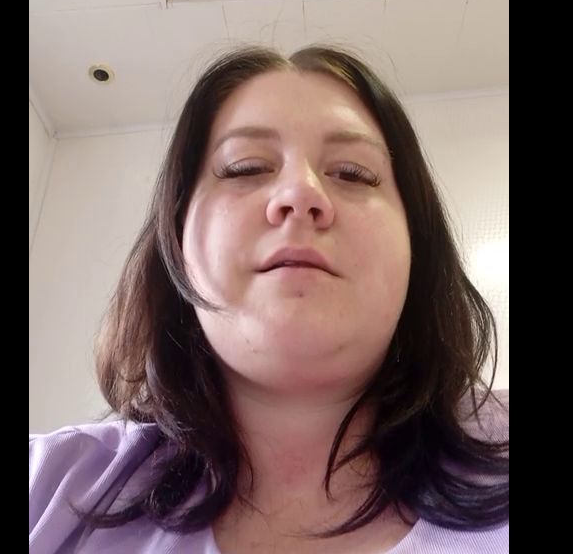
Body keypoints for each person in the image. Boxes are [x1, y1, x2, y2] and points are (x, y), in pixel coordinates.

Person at [29, 45, 509, 553]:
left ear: (418, 248)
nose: (300, 194)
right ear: (176, 242)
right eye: (245, 168)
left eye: (353, 173)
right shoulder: (49, 488)